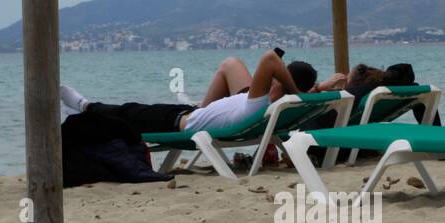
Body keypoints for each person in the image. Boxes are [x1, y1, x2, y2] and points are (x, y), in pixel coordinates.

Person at [60, 49, 345, 136]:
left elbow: (270, 58)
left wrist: (292, 88)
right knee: (129, 110)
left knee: (126, 111)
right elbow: (276, 69)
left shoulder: (260, 103)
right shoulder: (279, 105)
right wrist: (310, 90)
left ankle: (84, 106)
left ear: (278, 84)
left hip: (180, 122)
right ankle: (83, 106)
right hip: (197, 114)